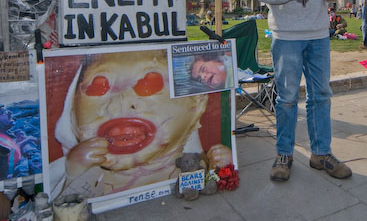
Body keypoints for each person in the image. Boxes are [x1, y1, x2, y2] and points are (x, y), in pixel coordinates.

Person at [252, 0, 352, 182]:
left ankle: (321, 153)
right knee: (286, 97)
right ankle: (284, 153)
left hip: (319, 31)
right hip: (287, 34)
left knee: (321, 94)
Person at [49, 50, 232, 200]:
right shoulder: (86, 167)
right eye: (99, 85)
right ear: (72, 113)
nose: (119, 103)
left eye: (149, 82)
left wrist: (221, 165)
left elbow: (208, 175)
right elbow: (61, 202)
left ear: (196, 103)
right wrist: (74, 168)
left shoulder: (192, 160)